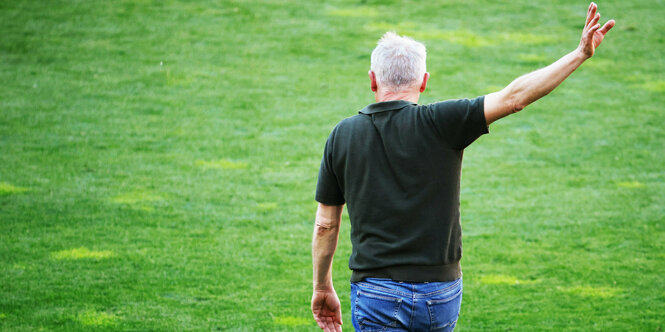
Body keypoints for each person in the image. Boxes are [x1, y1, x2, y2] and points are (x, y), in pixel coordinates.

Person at [311, 3, 615, 331]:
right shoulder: (443, 122)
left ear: (372, 79)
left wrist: (322, 286)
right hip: (439, 294)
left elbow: (326, 226)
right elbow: (516, 97)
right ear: (424, 80)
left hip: (376, 294)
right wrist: (579, 54)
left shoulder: (342, 135)